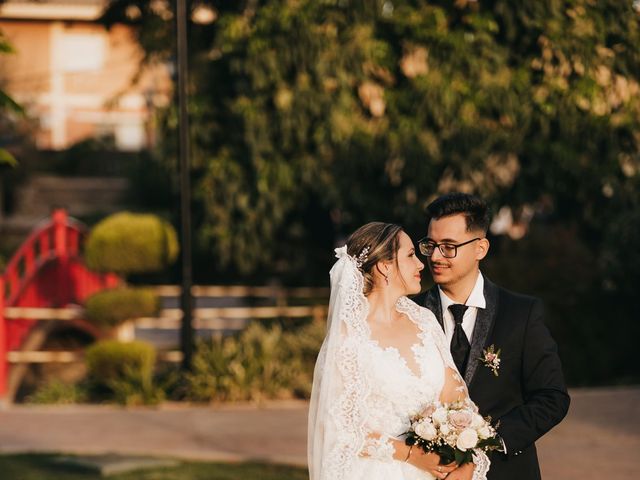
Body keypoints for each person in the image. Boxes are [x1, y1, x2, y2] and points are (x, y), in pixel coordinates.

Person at [308, 222, 491, 480]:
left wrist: (465, 460)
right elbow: (337, 428)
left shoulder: (424, 321)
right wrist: (412, 455)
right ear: (385, 266)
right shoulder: (349, 337)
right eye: (410, 255)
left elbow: (456, 396)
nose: (420, 264)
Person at [414, 193, 570, 480]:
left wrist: (483, 446)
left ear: (480, 248)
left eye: (449, 247)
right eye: (430, 245)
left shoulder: (521, 314)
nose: (435, 256)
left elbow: (552, 398)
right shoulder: (410, 313)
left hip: (505, 472)